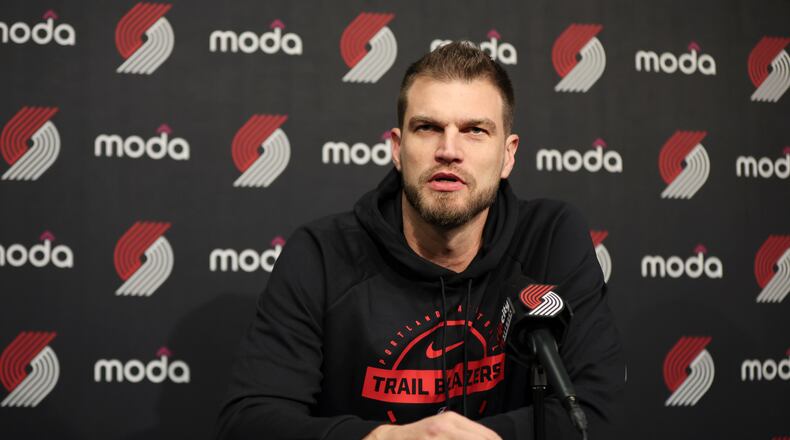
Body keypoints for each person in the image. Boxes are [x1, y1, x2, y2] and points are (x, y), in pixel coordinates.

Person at [216, 42, 624, 440]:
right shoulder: (322, 254)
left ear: (508, 155)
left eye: (475, 130)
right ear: (397, 148)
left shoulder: (549, 238)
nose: (449, 150)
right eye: (427, 128)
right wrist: (385, 439)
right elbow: (249, 422)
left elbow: (597, 413)